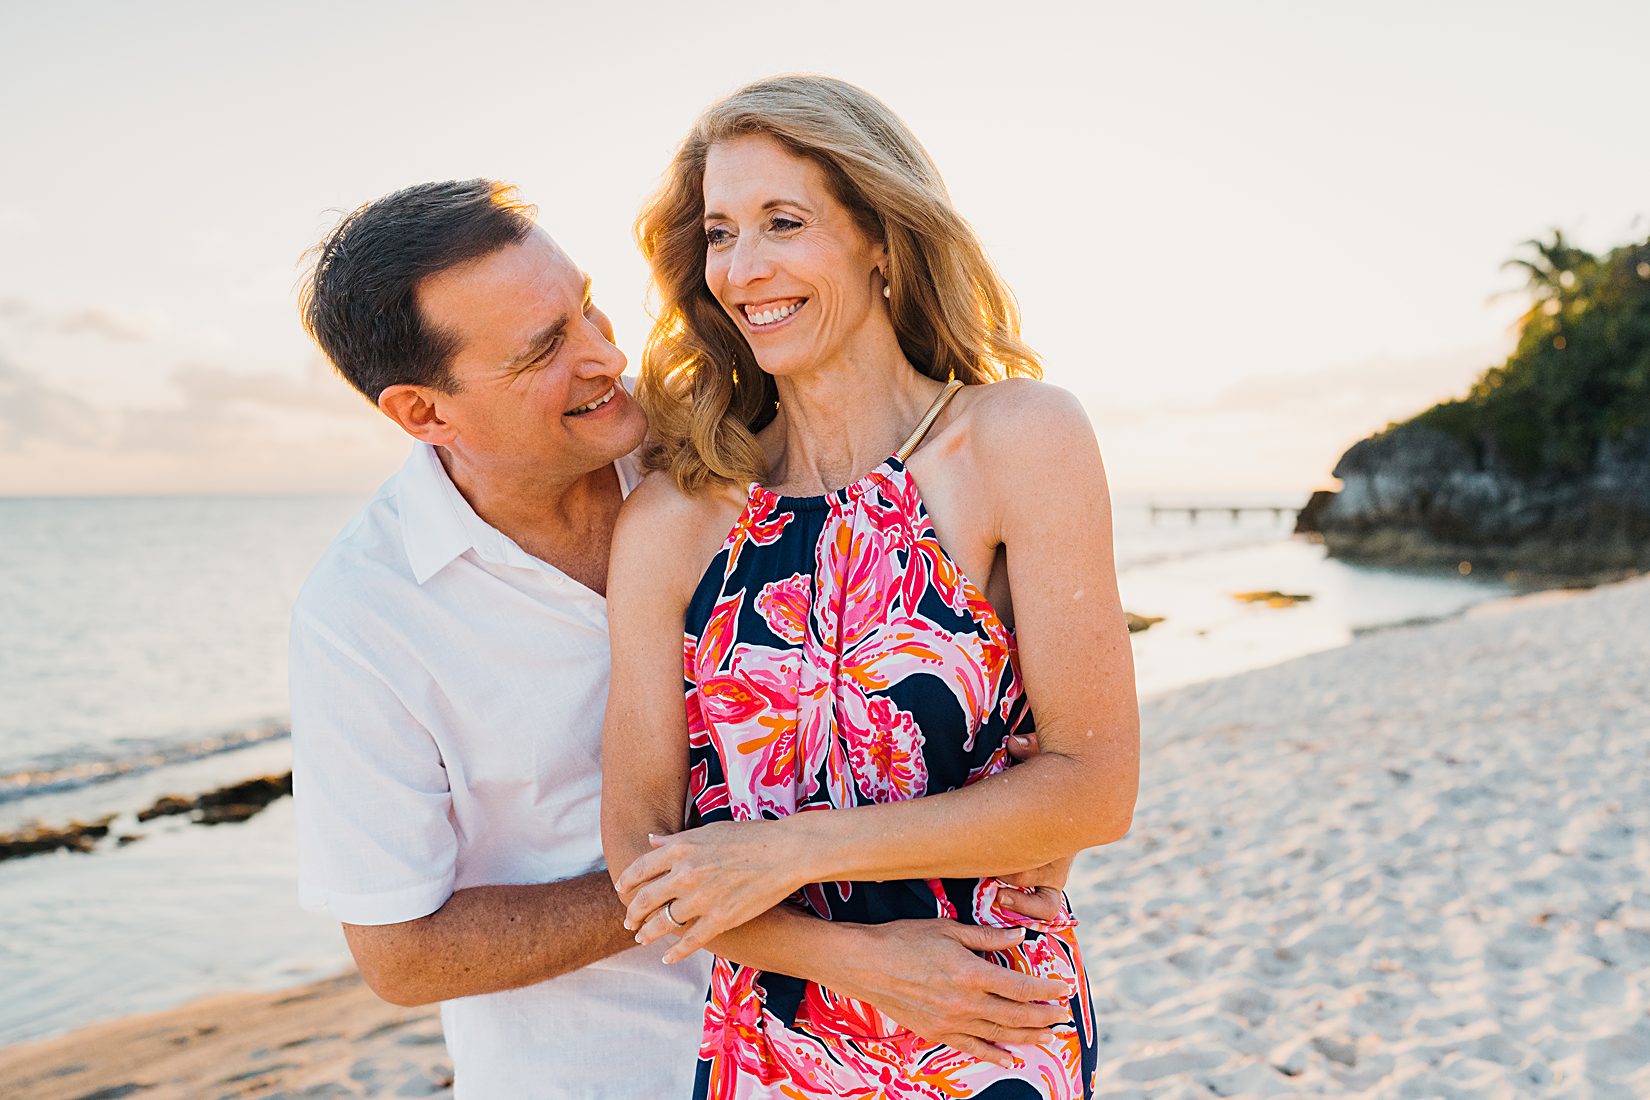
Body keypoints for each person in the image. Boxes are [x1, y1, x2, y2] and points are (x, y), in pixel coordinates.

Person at [290, 179, 1082, 1098]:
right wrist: (736, 891)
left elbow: (993, 672)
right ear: (424, 412)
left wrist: (1008, 804)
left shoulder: (725, 451)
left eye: (585, 306)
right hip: (605, 1076)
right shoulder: (364, 616)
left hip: (892, 1044)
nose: (606, 355)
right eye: (546, 349)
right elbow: (403, 956)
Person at [602, 76, 1141, 1098]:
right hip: (773, 1039)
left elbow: (1097, 784)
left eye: (783, 222)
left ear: (881, 237)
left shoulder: (1018, 440)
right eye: (720, 233)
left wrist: (783, 847)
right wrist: (852, 956)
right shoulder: (676, 518)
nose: (744, 266)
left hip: (987, 1019)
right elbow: (641, 848)